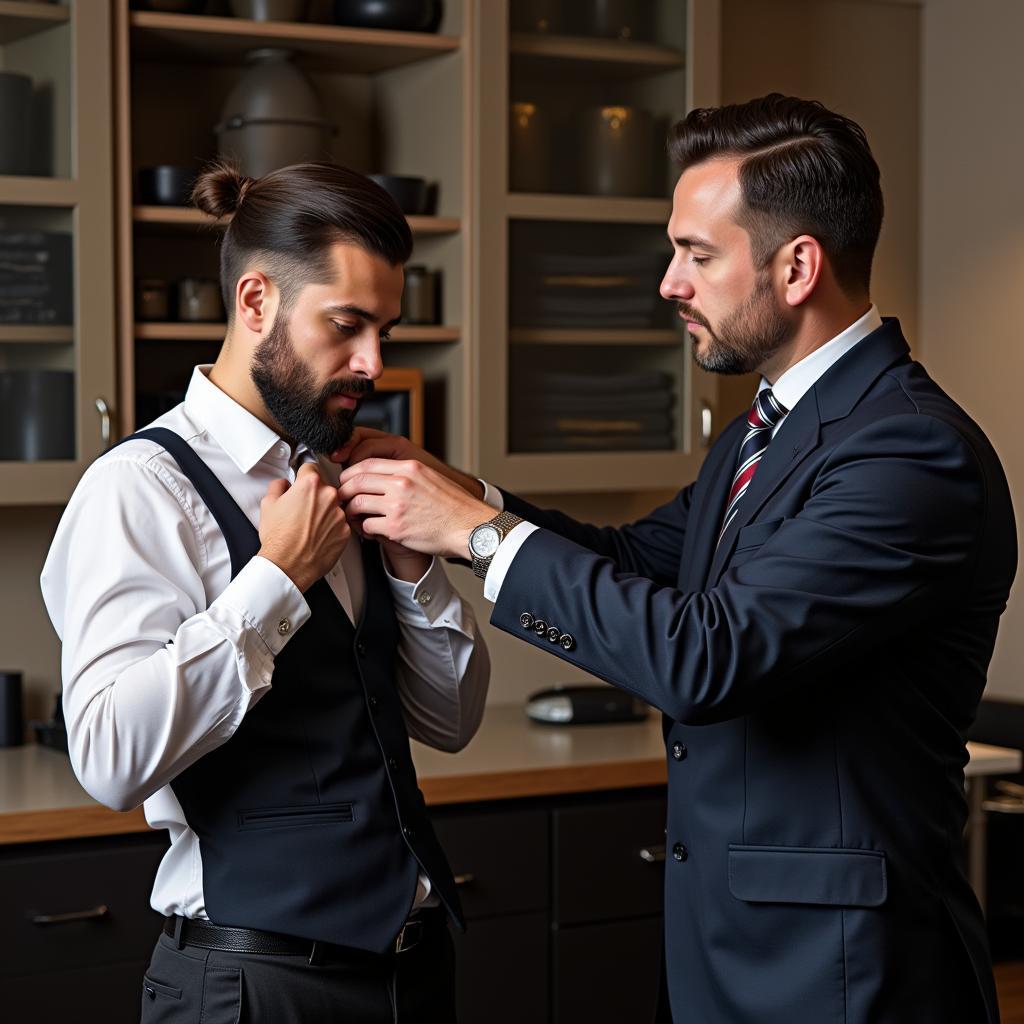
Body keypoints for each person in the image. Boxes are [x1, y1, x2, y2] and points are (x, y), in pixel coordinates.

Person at [332, 95, 1017, 1023]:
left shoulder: (911, 454)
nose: (669, 283)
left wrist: (474, 534)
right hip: (729, 952)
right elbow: (637, 560)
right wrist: (462, 493)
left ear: (798, 266)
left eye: (697, 254)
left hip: (847, 976)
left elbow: (708, 657)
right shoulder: (757, 435)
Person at [40, 161, 490, 1024]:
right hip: (257, 989)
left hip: (412, 975)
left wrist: (412, 565)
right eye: (348, 326)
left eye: (385, 332)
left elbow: (451, 724)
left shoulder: (339, 471)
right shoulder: (137, 488)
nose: (375, 364)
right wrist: (276, 581)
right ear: (256, 303)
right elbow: (105, 756)